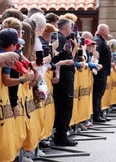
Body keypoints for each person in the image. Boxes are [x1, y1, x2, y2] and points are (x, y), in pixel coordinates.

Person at [51, 18, 77, 146]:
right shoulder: (61, 39)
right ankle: (61, 136)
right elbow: (56, 59)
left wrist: (75, 47)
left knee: (65, 106)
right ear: (67, 27)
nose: (72, 30)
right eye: (71, 28)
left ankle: (61, 134)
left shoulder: (60, 38)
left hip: (65, 76)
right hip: (64, 78)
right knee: (65, 106)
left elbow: (68, 58)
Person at [92, 24, 112, 122]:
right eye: (107, 30)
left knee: (100, 93)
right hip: (100, 72)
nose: (109, 32)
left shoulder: (102, 40)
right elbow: (96, 54)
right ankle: (96, 115)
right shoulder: (98, 40)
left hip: (103, 72)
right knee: (97, 94)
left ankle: (99, 113)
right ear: (102, 31)